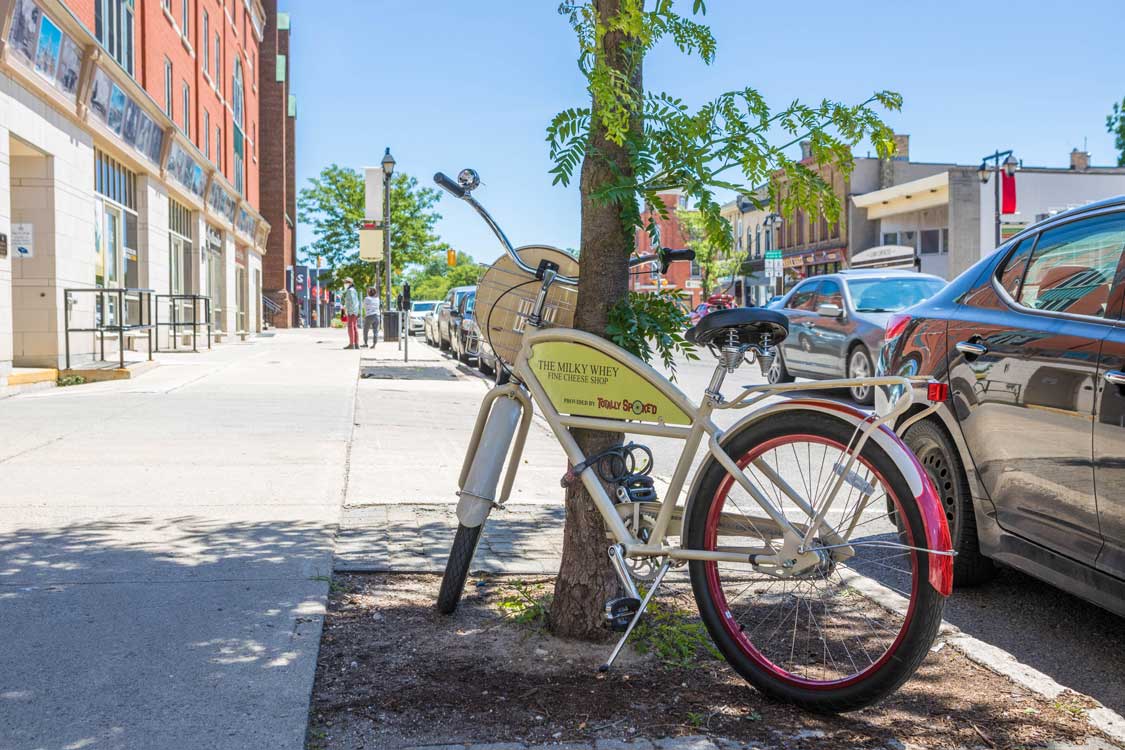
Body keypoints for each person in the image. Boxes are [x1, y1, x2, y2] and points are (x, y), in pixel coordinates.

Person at [342, 277, 360, 349]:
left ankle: (351, 344)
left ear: (350, 283)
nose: (344, 284)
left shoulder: (350, 291)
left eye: (346, 282)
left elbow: (352, 301)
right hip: (355, 311)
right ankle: (356, 344)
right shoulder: (354, 290)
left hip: (351, 311)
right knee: (354, 327)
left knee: (350, 326)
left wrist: (350, 311)